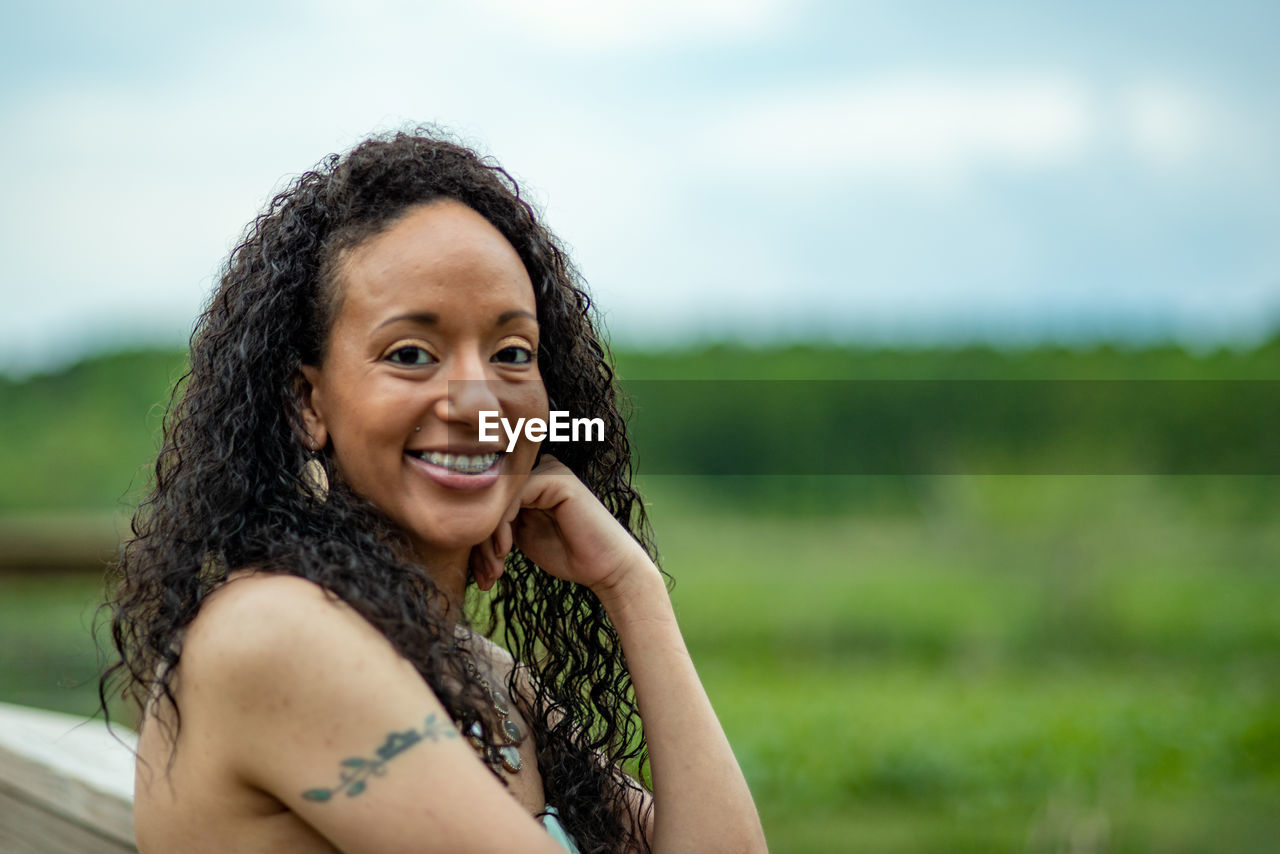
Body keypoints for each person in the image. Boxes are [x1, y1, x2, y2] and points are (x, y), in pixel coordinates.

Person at [100, 128, 767, 854]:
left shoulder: (480, 672)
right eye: (411, 354)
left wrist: (632, 584)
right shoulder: (275, 634)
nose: (478, 402)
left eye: (513, 353)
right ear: (307, 402)